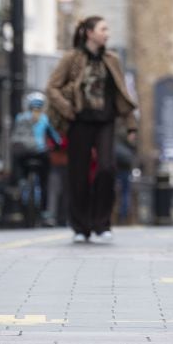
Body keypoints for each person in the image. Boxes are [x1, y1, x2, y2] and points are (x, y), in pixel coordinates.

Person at [47, 16, 138, 243]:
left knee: (107, 169)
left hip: (105, 121)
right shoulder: (72, 58)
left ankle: (102, 223)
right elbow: (52, 87)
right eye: (103, 29)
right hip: (79, 122)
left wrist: (130, 126)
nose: (107, 33)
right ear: (89, 33)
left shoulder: (112, 59)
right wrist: (67, 109)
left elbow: (121, 94)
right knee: (78, 173)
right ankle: (80, 226)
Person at [11, 92, 63, 224]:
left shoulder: (20, 117)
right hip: (40, 153)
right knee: (44, 180)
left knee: (19, 167)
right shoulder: (44, 119)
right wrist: (58, 144)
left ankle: (22, 182)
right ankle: (45, 211)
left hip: (23, 153)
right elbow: (55, 137)